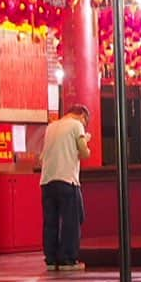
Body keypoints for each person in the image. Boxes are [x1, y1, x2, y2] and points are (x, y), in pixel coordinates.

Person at [38, 104, 92, 271]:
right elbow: (84, 153)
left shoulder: (51, 127)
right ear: (82, 116)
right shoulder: (76, 125)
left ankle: (51, 259)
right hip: (67, 180)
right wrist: (86, 139)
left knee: (50, 222)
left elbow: (42, 157)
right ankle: (68, 259)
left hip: (47, 180)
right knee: (72, 220)